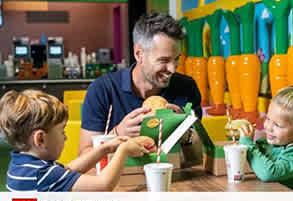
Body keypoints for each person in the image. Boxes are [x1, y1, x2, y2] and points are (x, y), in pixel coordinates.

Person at [79, 13, 202, 166]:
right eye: (164, 60)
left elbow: (197, 160)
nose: (172, 69)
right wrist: (117, 134)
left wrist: (184, 133)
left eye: (176, 59)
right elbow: (83, 157)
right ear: (139, 54)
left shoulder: (187, 88)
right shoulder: (102, 90)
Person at [0, 90, 156, 192]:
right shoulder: (41, 174)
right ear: (40, 138)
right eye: (61, 132)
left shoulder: (22, 165)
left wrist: (105, 148)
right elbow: (104, 185)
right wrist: (124, 151)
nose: (65, 137)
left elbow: (67, 170)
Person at [239, 86, 293, 191]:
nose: (268, 127)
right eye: (268, 118)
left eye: (277, 125)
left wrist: (247, 144)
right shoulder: (266, 144)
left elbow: (268, 174)